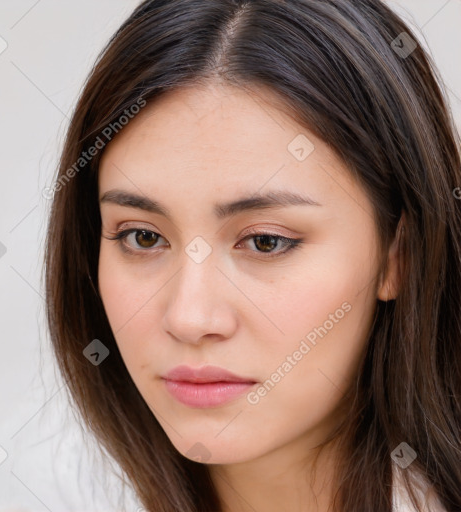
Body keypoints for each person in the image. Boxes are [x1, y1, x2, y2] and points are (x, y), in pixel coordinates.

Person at [44, 1, 461, 510]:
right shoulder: (55, 489)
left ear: (399, 255)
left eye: (266, 241)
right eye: (143, 237)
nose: (190, 318)